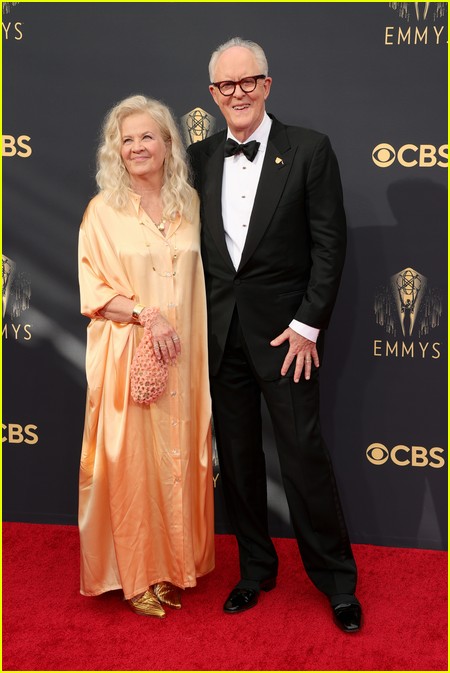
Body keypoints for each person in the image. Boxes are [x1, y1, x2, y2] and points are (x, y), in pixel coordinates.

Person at [187, 38, 362, 632]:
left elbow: (329, 246)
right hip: (221, 336)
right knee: (237, 463)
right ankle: (254, 571)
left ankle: (337, 580)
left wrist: (307, 324)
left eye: (247, 82)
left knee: (303, 458)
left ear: (266, 84)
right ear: (212, 94)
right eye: (225, 86)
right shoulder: (198, 157)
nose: (237, 93)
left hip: (288, 338)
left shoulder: (309, 150)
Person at [78, 95, 214, 618]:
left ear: (167, 144)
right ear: (116, 149)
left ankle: (172, 567)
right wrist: (144, 314)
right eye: (126, 139)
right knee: (132, 467)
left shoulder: (192, 205)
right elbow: (93, 291)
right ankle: (134, 576)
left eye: (147, 137)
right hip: (127, 358)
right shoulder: (103, 210)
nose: (137, 147)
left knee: (177, 462)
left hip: (185, 358)